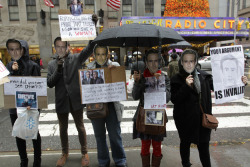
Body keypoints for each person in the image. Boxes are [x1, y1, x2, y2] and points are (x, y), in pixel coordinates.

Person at [170, 49, 248, 167]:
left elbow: (221, 86)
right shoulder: (176, 79)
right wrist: (186, 86)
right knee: (185, 143)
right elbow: (175, 99)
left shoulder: (205, 76)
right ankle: (186, 163)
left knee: (204, 146)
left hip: (203, 119)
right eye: (186, 61)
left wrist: (240, 82)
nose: (189, 64)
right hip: (184, 120)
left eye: (191, 61)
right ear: (181, 62)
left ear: (196, 61)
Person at [47, 36, 95, 167]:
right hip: (61, 100)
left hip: (75, 99)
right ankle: (64, 153)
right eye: (58, 46)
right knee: (63, 128)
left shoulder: (76, 58)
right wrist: (58, 68)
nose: (61, 49)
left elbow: (89, 49)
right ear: (55, 48)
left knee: (80, 127)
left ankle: (84, 152)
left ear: (68, 47)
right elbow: (50, 83)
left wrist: (92, 29)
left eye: (63, 46)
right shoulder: (51, 64)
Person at [86, 45, 127, 167]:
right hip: (95, 107)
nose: (100, 57)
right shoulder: (88, 69)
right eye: (98, 54)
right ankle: (103, 161)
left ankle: (120, 160)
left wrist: (114, 73)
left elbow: (121, 88)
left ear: (107, 54)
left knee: (115, 135)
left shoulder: (115, 66)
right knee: (99, 136)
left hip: (112, 107)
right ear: (94, 55)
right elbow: (85, 91)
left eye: (103, 54)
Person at [6, 39, 41, 167]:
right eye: (12, 49)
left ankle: (37, 160)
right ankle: (23, 160)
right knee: (18, 133)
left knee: (34, 132)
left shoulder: (33, 66)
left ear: (23, 50)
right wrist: (13, 71)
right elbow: (6, 87)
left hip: (30, 106)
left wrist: (34, 104)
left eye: (18, 49)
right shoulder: (7, 67)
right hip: (14, 107)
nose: (15, 52)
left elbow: (38, 88)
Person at [132, 49, 171, 167]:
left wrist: (160, 84)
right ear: (146, 63)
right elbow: (135, 96)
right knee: (144, 146)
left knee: (157, 146)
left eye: (156, 61)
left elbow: (168, 98)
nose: (153, 64)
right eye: (150, 61)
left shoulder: (164, 77)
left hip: (158, 114)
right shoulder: (142, 77)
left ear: (160, 62)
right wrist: (137, 82)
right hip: (144, 115)